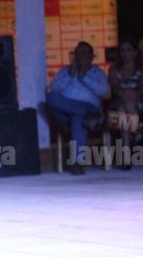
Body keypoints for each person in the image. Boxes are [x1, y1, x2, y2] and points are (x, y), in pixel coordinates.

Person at [46, 41, 108, 174]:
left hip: (88, 107)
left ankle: (77, 163)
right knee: (50, 97)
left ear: (91, 57)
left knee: (78, 117)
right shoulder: (66, 71)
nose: (80, 56)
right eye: (77, 53)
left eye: (84, 53)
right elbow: (54, 88)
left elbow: (102, 91)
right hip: (69, 111)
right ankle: (87, 115)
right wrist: (70, 74)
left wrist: (84, 77)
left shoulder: (97, 73)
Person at [106, 39, 143, 169]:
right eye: (122, 50)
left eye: (129, 50)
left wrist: (131, 96)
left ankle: (126, 156)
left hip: (138, 104)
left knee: (123, 110)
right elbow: (116, 89)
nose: (125, 53)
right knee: (121, 107)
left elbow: (142, 88)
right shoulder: (113, 69)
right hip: (117, 103)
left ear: (135, 52)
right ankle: (137, 132)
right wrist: (127, 95)